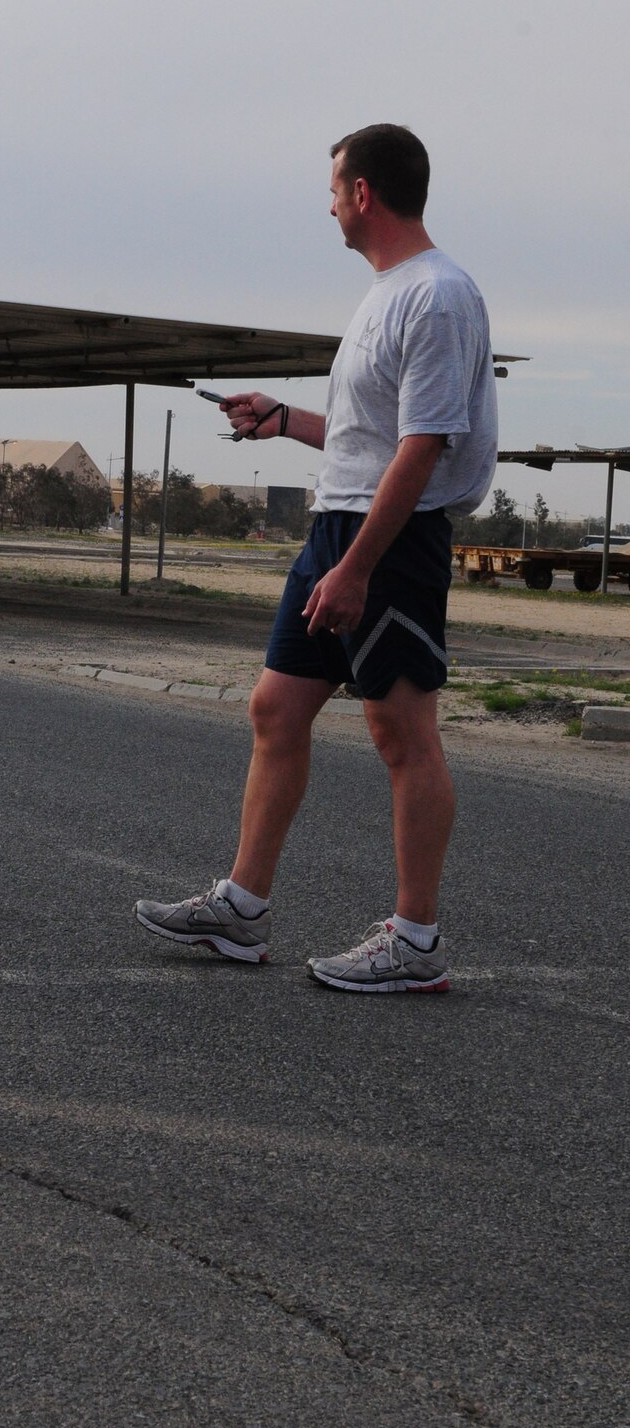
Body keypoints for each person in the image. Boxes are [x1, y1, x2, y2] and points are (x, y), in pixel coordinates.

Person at [136, 124, 497, 992]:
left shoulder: (439, 294)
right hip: (339, 526)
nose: (328, 201)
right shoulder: (386, 291)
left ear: (364, 193)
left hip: (391, 540)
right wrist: (284, 419)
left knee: (401, 732)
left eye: (334, 185)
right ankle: (242, 908)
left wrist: (360, 568)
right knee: (275, 708)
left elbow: (422, 448)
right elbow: (369, 436)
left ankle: (415, 941)